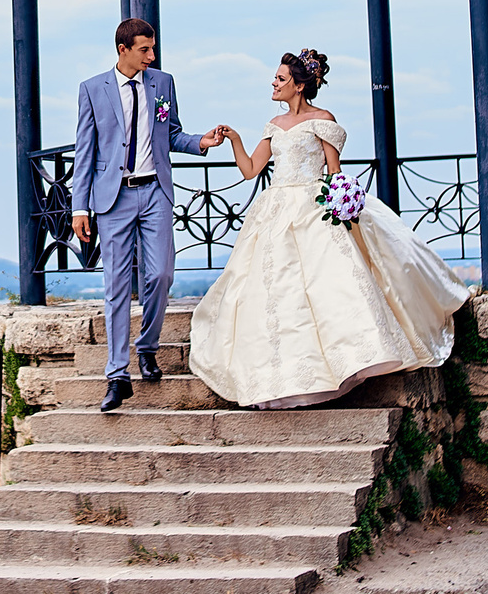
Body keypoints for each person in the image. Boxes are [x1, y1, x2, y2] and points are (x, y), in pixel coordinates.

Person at [189, 48, 469, 410]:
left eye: (280, 79)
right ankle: (285, 371)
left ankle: (346, 358)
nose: (273, 84)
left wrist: (342, 200)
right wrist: (236, 140)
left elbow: (334, 173)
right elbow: (250, 171)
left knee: (329, 284)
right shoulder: (272, 126)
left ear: (300, 85)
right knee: (276, 289)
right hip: (275, 209)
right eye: (275, 78)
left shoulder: (323, 120)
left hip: (313, 206)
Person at [72, 18, 227, 412]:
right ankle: (117, 375)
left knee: (161, 274)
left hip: (155, 192)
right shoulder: (92, 90)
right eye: (144, 49)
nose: (152, 56)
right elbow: (85, 151)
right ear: (123, 49)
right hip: (113, 200)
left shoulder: (163, 84)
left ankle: (147, 347)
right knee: (117, 286)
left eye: (153, 48)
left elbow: (171, 133)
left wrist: (200, 142)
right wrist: (79, 207)